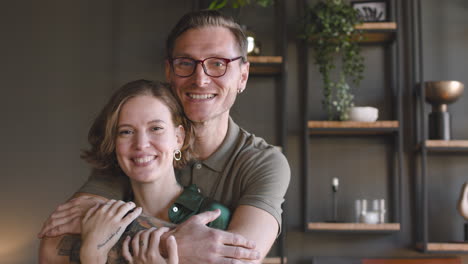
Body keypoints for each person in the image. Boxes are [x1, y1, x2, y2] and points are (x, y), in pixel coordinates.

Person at [39, 9, 290, 264]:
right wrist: (183, 245)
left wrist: (104, 240)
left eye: (218, 63)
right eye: (186, 63)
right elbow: (53, 244)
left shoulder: (263, 162)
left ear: (243, 76)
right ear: (170, 71)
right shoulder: (138, 152)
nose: (200, 79)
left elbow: (239, 259)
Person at [41, 80, 231, 263]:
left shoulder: (213, 217)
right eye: (126, 132)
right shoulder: (95, 218)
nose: (141, 144)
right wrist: (92, 256)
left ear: (179, 138)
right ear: (114, 143)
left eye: (156, 128)